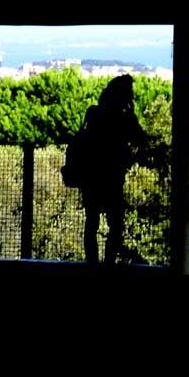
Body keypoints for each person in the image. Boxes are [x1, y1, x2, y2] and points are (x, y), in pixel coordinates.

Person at [71, 75, 148, 268]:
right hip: (113, 178)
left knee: (91, 224)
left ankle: (92, 266)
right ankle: (108, 266)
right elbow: (141, 139)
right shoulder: (123, 119)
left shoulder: (94, 113)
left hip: (91, 177)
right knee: (115, 225)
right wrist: (132, 114)